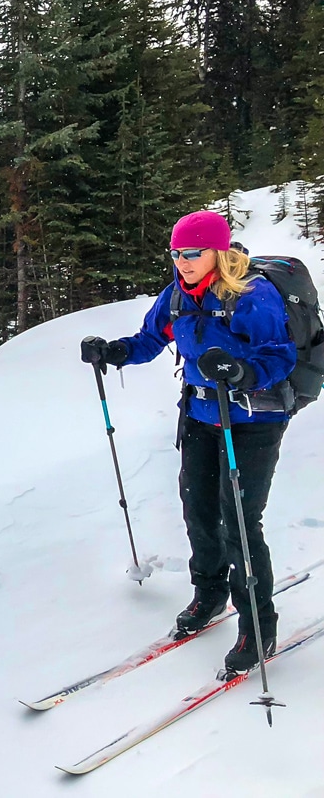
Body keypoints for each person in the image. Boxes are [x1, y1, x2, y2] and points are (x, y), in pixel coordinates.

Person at [80, 210, 297, 673]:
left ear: (217, 251)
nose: (183, 261)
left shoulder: (252, 296)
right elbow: (148, 339)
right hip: (200, 412)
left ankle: (259, 625)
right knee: (198, 507)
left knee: (239, 518)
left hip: (252, 417)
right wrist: (113, 352)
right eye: (177, 252)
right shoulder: (176, 295)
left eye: (193, 253)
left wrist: (243, 372)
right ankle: (210, 594)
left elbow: (280, 357)